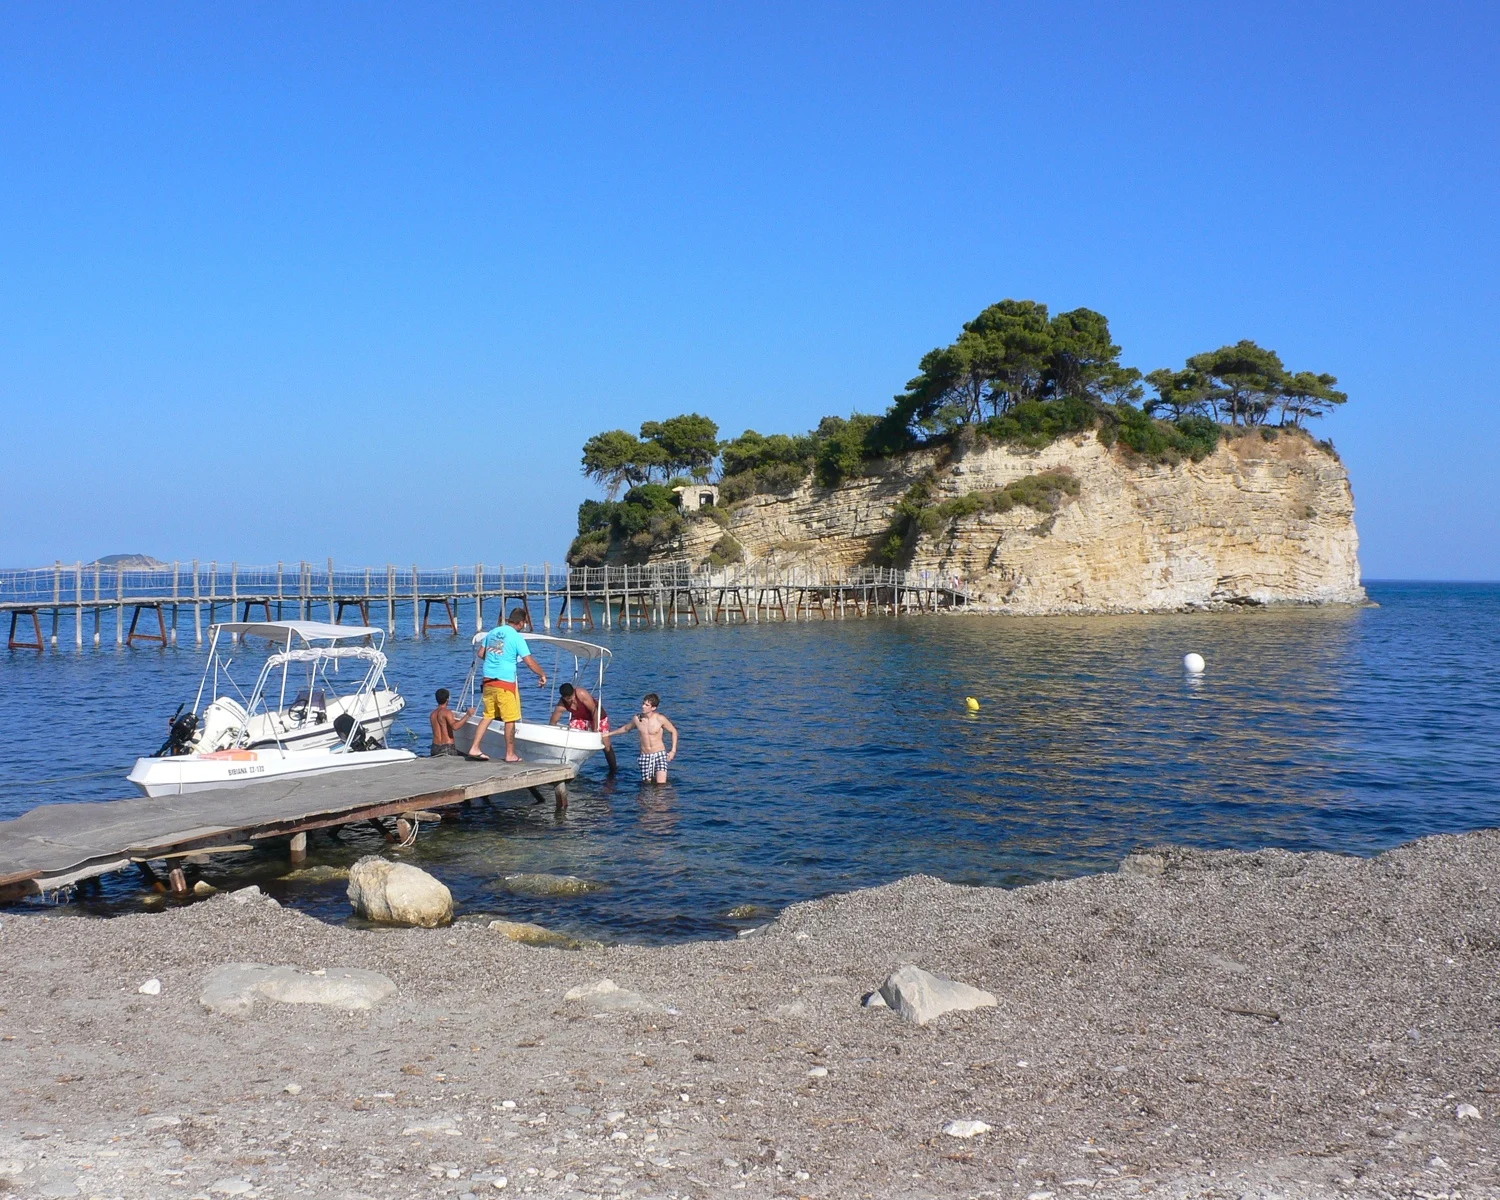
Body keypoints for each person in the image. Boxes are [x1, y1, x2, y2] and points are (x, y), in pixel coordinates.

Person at [469, 608, 547, 762]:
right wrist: (542, 674)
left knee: (488, 716)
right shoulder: (517, 638)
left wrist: (495, 660)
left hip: (488, 681)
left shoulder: (492, 633)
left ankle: (474, 747)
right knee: (510, 719)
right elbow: (529, 661)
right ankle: (510, 754)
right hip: (505, 683)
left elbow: (480, 653)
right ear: (522, 622)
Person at [548, 682, 617, 774]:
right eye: (569, 699)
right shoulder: (562, 705)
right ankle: (570, 764)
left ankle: (613, 769)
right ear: (563, 698)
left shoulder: (581, 694)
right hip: (580, 718)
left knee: (606, 745)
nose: (572, 700)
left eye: (572, 696)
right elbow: (553, 722)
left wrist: (595, 729)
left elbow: (594, 710)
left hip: (597, 716)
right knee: (572, 734)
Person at [610, 692, 679, 784]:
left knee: (661, 784)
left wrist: (673, 751)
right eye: (643, 704)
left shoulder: (660, 719)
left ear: (653, 708)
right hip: (645, 756)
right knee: (647, 785)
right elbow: (626, 728)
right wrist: (608, 734)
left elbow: (673, 731)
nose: (643, 706)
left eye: (646, 705)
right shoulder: (637, 719)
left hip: (659, 754)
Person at [428, 688, 474, 757]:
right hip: (447, 747)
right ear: (447, 699)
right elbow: (455, 727)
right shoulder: (447, 712)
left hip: (435, 747)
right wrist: (468, 715)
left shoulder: (432, 714)